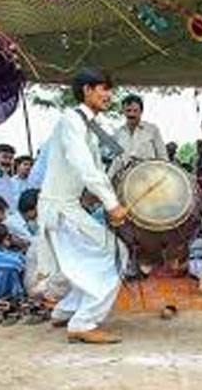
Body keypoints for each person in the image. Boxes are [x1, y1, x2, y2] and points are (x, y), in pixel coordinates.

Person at [36, 68, 128, 344]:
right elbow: (84, 165)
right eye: (103, 88)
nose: (108, 95)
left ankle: (67, 310)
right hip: (61, 208)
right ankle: (84, 322)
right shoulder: (71, 120)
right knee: (116, 253)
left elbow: (95, 170)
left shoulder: (86, 125)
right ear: (87, 90)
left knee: (82, 262)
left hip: (65, 206)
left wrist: (108, 198)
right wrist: (112, 205)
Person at [108, 94, 167, 178]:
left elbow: (162, 156)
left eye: (135, 110)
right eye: (128, 110)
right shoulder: (118, 133)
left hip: (149, 178)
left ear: (141, 111)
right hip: (126, 181)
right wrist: (107, 181)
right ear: (123, 112)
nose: (131, 114)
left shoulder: (152, 130)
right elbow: (117, 161)